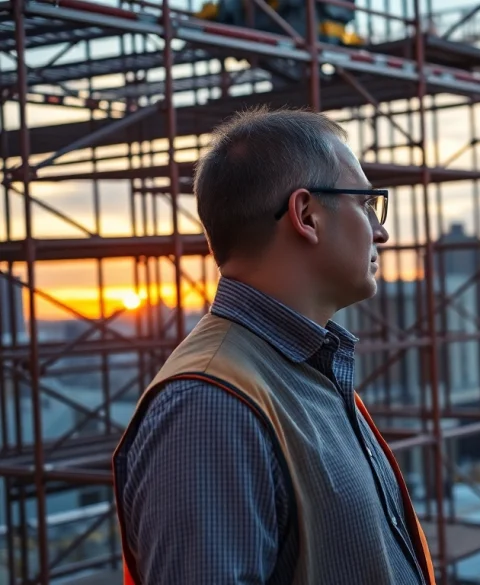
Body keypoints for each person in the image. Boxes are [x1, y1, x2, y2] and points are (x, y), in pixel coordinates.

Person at [111, 107, 435, 585]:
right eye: (366, 203)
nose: (381, 230)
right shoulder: (211, 405)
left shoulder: (299, 372)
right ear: (306, 215)